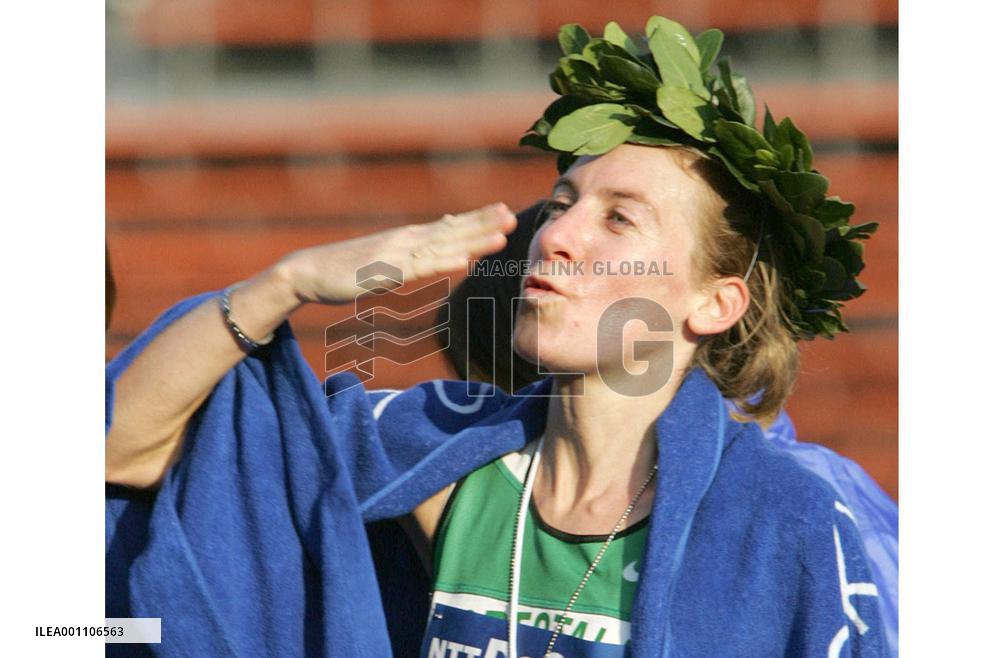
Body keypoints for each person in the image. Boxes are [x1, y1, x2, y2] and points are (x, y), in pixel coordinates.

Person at [106, 17, 889, 657]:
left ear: (715, 304)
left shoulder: (793, 520)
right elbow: (119, 447)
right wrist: (285, 284)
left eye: (619, 218)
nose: (557, 236)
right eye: (562, 201)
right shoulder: (445, 456)